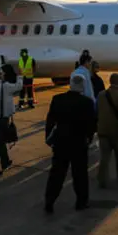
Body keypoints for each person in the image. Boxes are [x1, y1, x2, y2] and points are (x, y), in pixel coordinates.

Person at [44, 75, 97, 214]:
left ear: (70, 84)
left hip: (61, 141)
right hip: (78, 142)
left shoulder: (57, 99)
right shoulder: (87, 102)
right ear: (83, 87)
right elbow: (91, 124)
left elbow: (50, 120)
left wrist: (48, 138)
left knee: (57, 173)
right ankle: (81, 202)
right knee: (80, 174)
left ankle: (49, 201)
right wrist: (89, 138)